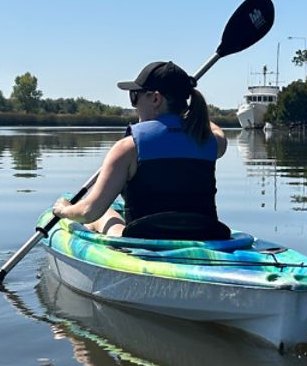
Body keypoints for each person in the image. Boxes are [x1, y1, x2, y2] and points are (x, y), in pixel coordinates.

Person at [51, 61, 229, 239]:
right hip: (206, 233)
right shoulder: (211, 143)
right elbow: (216, 130)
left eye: (135, 96)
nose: (134, 105)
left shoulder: (128, 148)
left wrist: (64, 210)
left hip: (144, 240)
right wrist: (185, 111)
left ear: (155, 99)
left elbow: (89, 211)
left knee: (104, 214)